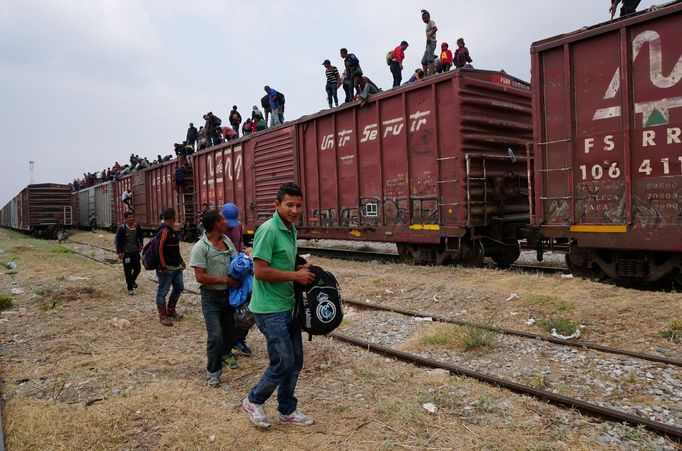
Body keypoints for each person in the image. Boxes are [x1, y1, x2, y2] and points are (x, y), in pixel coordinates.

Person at [242, 182, 315, 428]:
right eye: (289, 205)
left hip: (287, 304)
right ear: (277, 205)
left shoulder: (290, 229)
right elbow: (260, 271)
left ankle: (287, 410)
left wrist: (298, 267)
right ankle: (254, 400)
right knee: (283, 360)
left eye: (299, 206)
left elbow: (280, 263)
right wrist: (295, 276)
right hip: (269, 309)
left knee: (295, 361)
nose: (295, 210)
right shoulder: (269, 230)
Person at [189, 210, 241, 387]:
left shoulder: (226, 241)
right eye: (223, 220)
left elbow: (235, 261)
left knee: (229, 331)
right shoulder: (200, 247)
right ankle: (213, 372)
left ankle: (226, 354)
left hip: (228, 296)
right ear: (217, 224)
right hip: (210, 298)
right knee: (215, 335)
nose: (226, 222)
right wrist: (225, 279)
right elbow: (200, 277)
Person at [221, 203, 252, 355]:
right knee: (228, 309)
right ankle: (229, 341)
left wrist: (244, 251)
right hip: (225, 271)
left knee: (245, 305)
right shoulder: (217, 229)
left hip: (239, 269)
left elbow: (239, 243)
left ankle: (239, 339)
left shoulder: (238, 226)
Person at [156, 208, 186, 327]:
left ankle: (171, 310)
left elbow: (175, 248)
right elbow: (159, 250)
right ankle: (163, 316)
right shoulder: (164, 231)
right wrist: (163, 266)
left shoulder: (172, 230)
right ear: (172, 217)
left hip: (176, 267)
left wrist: (181, 260)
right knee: (162, 292)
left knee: (179, 287)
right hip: (166, 268)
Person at [115, 211, 144, 295]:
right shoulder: (122, 228)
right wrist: (119, 252)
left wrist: (141, 244)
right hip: (126, 253)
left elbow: (141, 235)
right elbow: (118, 241)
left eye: (132, 217)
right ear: (126, 219)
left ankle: (132, 281)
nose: (132, 219)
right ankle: (130, 288)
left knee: (138, 268)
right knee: (127, 271)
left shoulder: (137, 227)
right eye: (130, 217)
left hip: (135, 252)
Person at [421, 10, 438, 76]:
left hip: (432, 42)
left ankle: (433, 73)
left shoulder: (431, 22)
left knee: (430, 59)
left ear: (429, 17)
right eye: (423, 19)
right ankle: (426, 76)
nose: (424, 20)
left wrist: (429, 36)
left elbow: (435, 28)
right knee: (423, 61)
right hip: (428, 43)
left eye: (425, 18)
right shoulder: (427, 24)